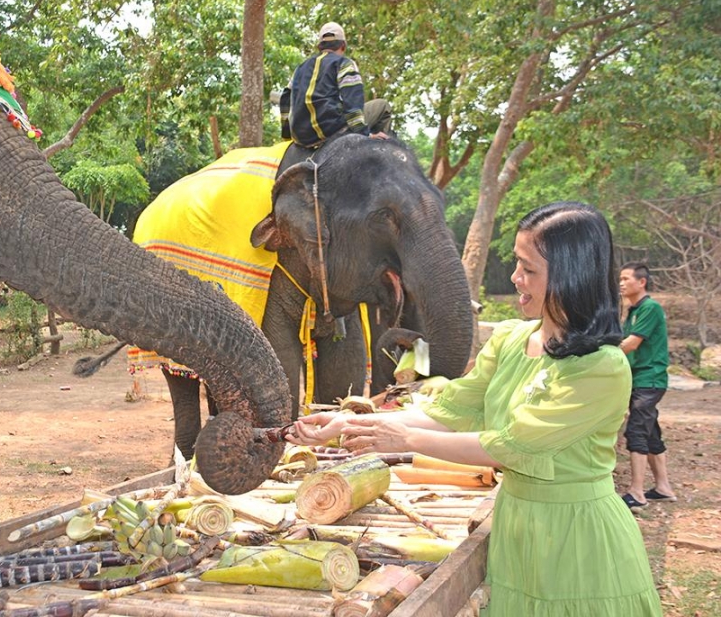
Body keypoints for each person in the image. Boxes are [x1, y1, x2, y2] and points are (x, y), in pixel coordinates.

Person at [288, 201, 662, 616]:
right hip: (516, 528)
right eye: (517, 264)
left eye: (530, 270)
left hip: (576, 539)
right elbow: (451, 411)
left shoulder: (602, 367)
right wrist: (351, 422)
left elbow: (513, 446)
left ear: (575, 275)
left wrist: (405, 439)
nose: (516, 279)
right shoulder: (509, 340)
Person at [279, 21, 393, 148]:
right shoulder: (343, 64)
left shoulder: (299, 69)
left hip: (301, 138)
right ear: (343, 46)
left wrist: (287, 137)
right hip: (332, 132)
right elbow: (353, 104)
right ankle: (381, 150)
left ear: (319, 47)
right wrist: (364, 134)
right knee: (383, 106)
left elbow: (285, 99)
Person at [619, 262, 676, 509]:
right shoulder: (634, 310)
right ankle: (663, 488)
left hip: (649, 379)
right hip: (640, 378)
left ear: (641, 282)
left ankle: (637, 492)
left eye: (626, 279)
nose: (621, 283)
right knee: (650, 431)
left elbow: (630, 344)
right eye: (619, 279)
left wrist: (598, 352)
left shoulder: (650, 308)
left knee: (637, 431)